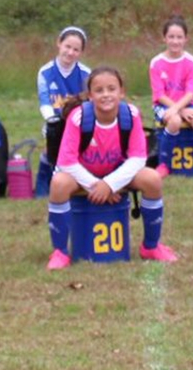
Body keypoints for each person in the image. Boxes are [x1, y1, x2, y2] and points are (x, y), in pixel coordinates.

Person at [45, 67, 178, 270]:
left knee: (152, 179)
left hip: (115, 173)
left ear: (121, 92)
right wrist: (95, 185)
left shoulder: (131, 115)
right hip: (81, 174)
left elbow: (138, 159)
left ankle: (151, 246)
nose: (106, 94)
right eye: (99, 90)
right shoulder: (78, 117)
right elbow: (66, 162)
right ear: (90, 96)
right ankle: (60, 252)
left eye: (111, 89)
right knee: (59, 183)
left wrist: (109, 184)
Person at [149, 15, 193, 177]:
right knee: (174, 121)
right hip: (163, 104)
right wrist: (178, 111)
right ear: (164, 38)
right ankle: (164, 164)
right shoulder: (156, 62)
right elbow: (159, 94)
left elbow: (191, 92)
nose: (175, 41)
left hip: (187, 103)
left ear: (186, 39)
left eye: (179, 37)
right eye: (171, 37)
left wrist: (180, 108)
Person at [34, 26, 93, 196]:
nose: (70, 52)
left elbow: (89, 102)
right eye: (67, 46)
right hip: (54, 122)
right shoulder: (45, 72)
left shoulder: (86, 73)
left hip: (78, 122)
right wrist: (54, 123)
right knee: (51, 149)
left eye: (76, 49)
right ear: (59, 44)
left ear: (81, 52)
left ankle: (77, 185)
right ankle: (42, 189)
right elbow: (44, 102)